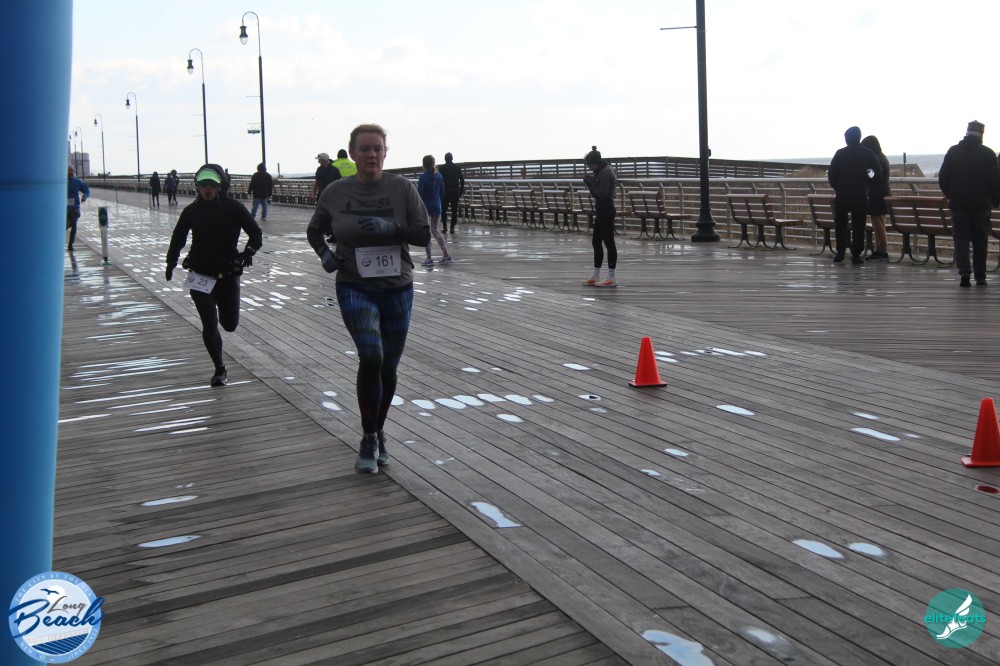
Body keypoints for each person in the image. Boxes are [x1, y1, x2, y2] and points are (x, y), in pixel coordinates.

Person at [306, 123, 430, 475]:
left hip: (397, 287)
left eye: (378, 148)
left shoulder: (402, 188)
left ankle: (378, 430)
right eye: (365, 149)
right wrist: (325, 254)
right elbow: (314, 230)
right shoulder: (336, 192)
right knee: (371, 355)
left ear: (385, 153)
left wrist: (393, 229)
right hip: (354, 284)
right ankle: (368, 436)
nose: (372, 154)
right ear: (353, 153)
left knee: (388, 366)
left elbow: (423, 235)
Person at [165, 164, 263, 386]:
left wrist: (248, 252)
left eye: (212, 184)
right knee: (209, 322)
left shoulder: (233, 208)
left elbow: (255, 233)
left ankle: (222, 348)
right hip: (200, 272)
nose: (208, 189)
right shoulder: (191, 211)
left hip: (227, 272)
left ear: (220, 186)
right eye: (203, 185)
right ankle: (219, 369)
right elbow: (178, 237)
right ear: (197, 187)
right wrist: (171, 262)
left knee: (229, 324)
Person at [939, 120, 1000, 287]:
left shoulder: (953, 151)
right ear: (981, 135)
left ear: (966, 133)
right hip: (981, 204)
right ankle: (980, 275)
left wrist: (950, 194)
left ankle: (964, 273)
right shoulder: (988, 153)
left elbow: (943, 178)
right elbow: (995, 180)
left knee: (961, 238)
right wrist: (995, 200)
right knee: (980, 239)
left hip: (958, 204)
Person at [828, 126, 881, 265]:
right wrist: (868, 183)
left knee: (840, 223)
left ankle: (840, 251)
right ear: (859, 137)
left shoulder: (840, 153)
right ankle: (856, 254)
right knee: (859, 225)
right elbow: (877, 172)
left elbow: (832, 174)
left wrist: (838, 187)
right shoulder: (868, 153)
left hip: (842, 194)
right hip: (860, 194)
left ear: (847, 139)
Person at [581, 147, 618, 287]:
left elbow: (601, 195)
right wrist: (592, 181)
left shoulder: (606, 172)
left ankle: (611, 277)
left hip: (606, 209)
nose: (589, 168)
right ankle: (596, 275)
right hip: (602, 210)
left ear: (593, 163)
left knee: (609, 242)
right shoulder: (603, 170)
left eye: (589, 165)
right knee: (596, 242)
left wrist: (590, 184)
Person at [417, 154, 453, 267]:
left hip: (426, 208)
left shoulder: (423, 178)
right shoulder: (439, 176)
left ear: (423, 165)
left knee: (427, 232)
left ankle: (429, 258)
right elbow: (442, 192)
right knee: (436, 230)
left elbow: (419, 194)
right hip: (437, 206)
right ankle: (446, 254)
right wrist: (438, 201)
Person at [861, 135, 891, 261]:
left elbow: (873, 176)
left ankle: (882, 250)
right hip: (883, 194)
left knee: (878, 223)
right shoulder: (882, 157)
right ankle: (880, 248)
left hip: (877, 195)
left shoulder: (876, 159)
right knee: (880, 222)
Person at [438, 152, 465, 233]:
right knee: (454, 211)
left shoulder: (441, 168)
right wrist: (460, 191)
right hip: (455, 192)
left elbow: (439, 181)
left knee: (443, 210)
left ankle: (445, 227)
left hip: (445, 192)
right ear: (452, 158)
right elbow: (462, 180)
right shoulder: (457, 168)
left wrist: (439, 192)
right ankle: (452, 227)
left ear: (445, 159)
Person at [66, 165, 90, 252]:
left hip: (75, 207)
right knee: (65, 226)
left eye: (72, 171)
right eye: (69, 171)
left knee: (74, 224)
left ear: (74, 172)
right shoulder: (62, 181)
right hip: (64, 208)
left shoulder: (78, 182)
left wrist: (84, 196)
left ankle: (70, 244)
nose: (70, 172)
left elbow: (86, 190)